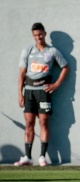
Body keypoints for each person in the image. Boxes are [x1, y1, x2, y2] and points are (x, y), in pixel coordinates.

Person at [15, 22, 69, 166]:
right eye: (35, 35)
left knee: (44, 122)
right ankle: (27, 157)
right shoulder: (28, 50)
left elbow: (65, 67)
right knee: (29, 123)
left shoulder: (52, 51)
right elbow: (21, 74)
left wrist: (56, 84)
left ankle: (42, 157)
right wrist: (20, 94)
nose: (38, 37)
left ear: (44, 33)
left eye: (40, 34)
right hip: (29, 92)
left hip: (44, 92)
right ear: (33, 36)